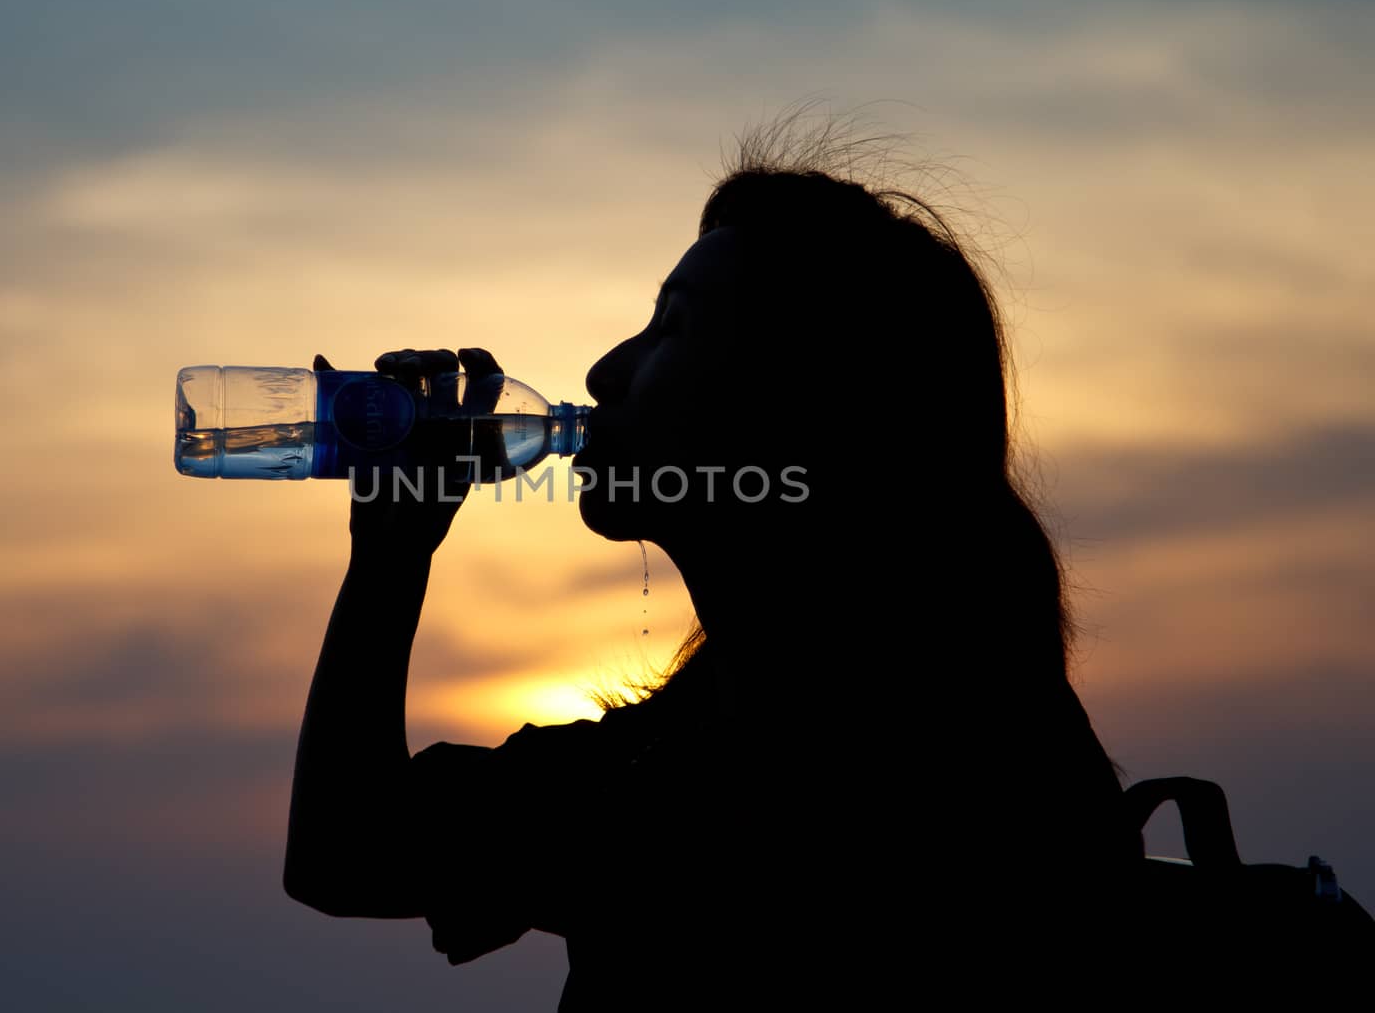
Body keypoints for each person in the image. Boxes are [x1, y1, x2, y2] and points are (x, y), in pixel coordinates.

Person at [282, 125, 1146, 1007]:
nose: (603, 370)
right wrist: (391, 552)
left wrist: (388, 567)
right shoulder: (680, 751)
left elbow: (349, 855)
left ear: (798, 406)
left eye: (673, 329)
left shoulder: (859, 760)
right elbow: (343, 856)